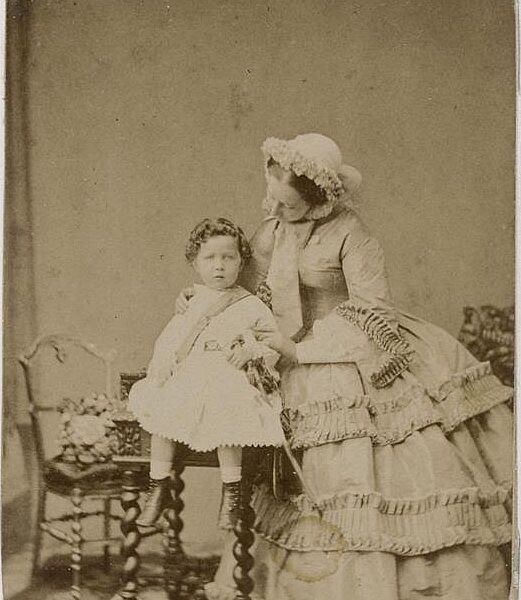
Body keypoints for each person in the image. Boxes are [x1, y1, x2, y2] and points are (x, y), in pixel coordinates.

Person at [177, 134, 512, 600]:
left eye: (289, 204)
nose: (277, 210)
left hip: (351, 353)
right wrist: (200, 299)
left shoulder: (352, 233)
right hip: (284, 351)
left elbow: (374, 312)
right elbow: (244, 289)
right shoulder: (271, 229)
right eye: (274, 199)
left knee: (384, 472)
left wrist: (300, 351)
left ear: (317, 199)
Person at [128, 217, 287, 530]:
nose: (219, 266)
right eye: (209, 258)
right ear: (195, 263)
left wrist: (251, 352)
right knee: (162, 404)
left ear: (241, 262)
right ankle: (157, 487)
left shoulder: (251, 305)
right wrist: (164, 365)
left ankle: (231, 494)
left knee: (229, 410)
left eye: (228, 258)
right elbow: (172, 339)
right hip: (192, 378)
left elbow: (272, 343)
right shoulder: (192, 301)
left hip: (229, 377)